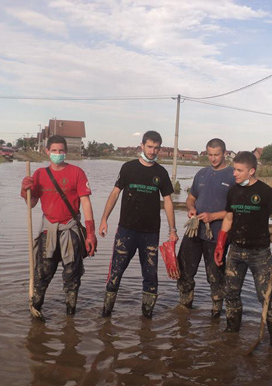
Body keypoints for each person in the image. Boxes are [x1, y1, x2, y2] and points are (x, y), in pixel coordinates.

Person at [214, 151, 272, 346]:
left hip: (259, 253)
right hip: (236, 250)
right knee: (230, 292)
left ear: (251, 171)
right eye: (234, 169)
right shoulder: (233, 191)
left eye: (239, 170)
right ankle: (232, 330)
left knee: (264, 294)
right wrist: (221, 244)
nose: (235, 174)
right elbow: (229, 218)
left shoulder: (265, 192)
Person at [99, 130, 178, 318]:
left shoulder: (161, 172)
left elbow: (168, 201)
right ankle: (106, 315)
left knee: (150, 276)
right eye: (149, 147)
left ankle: (147, 318)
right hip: (126, 230)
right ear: (142, 146)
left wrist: (172, 229)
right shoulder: (128, 168)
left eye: (156, 148)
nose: (152, 151)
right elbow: (115, 193)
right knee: (116, 272)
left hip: (150, 232)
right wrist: (104, 219)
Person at [21, 135, 97, 317]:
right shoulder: (39, 174)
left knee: (72, 277)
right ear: (47, 151)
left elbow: (86, 203)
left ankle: (70, 316)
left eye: (61, 151)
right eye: (54, 151)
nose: (57, 154)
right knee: (42, 274)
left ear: (66, 152)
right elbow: (31, 204)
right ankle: (36, 309)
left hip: (70, 230)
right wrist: (25, 190)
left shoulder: (77, 173)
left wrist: (90, 234)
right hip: (48, 231)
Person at [176, 138, 235, 318]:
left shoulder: (233, 175)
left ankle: (216, 312)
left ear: (225, 153)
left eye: (217, 155)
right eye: (210, 154)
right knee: (184, 268)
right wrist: (191, 209)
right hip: (195, 230)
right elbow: (191, 198)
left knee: (215, 274)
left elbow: (236, 210)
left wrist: (213, 216)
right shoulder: (201, 173)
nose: (213, 159)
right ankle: (184, 309)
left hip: (217, 234)